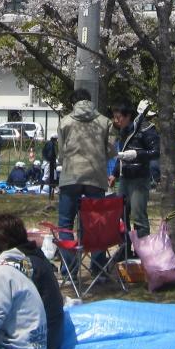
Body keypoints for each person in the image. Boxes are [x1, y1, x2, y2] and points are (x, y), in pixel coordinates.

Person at [56, 88, 115, 277]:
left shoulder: (65, 121)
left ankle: (70, 268)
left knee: (65, 224)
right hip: (96, 177)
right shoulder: (105, 122)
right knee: (95, 223)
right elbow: (111, 150)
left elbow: (61, 153)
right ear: (91, 100)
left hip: (70, 176)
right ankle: (97, 268)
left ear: (73, 103)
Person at [0, 213, 65, 349]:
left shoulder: (21, 264)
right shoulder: (35, 254)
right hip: (53, 333)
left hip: (39, 343)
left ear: (3, 240)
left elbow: (0, 310)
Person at [110, 102, 160, 237]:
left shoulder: (146, 129)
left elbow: (156, 152)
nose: (116, 121)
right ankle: (124, 246)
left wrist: (137, 154)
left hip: (139, 178)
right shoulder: (124, 130)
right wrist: (114, 174)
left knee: (138, 215)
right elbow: (122, 154)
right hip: (124, 177)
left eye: (118, 117)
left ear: (128, 116)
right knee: (120, 214)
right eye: (114, 117)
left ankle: (142, 247)